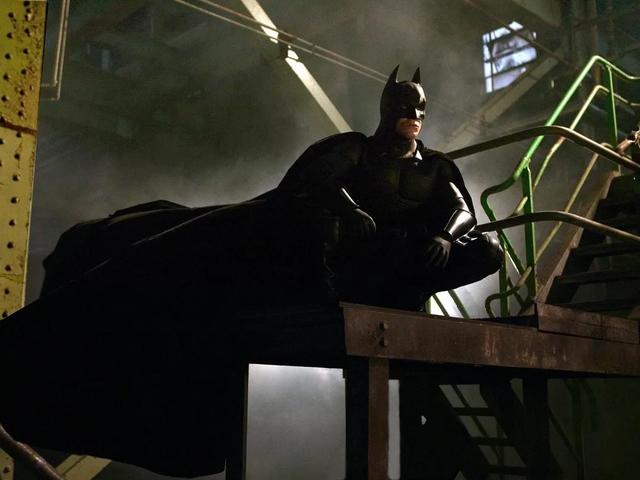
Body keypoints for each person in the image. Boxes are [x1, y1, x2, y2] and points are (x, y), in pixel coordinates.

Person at [276, 65, 503, 309]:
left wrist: (445, 237)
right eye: (406, 106)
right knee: (323, 221)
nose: (415, 114)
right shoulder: (358, 149)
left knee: (489, 249)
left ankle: (410, 292)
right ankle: (327, 300)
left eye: (420, 108)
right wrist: (350, 210)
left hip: (412, 257)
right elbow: (319, 179)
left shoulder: (435, 165)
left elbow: (463, 211)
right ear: (388, 109)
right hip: (361, 255)